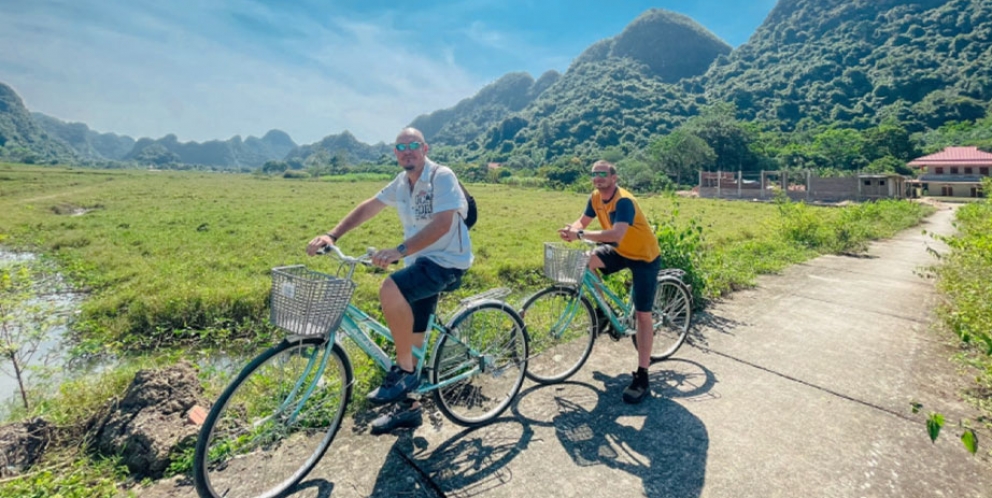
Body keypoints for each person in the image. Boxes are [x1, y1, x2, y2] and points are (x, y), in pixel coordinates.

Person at [307, 127, 472, 432]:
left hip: (447, 263)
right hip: (420, 263)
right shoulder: (402, 183)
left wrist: (398, 251)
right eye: (401, 147)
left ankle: (404, 372)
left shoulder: (441, 177)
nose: (407, 150)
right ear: (396, 153)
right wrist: (332, 235)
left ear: (425, 148)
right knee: (414, 340)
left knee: (390, 287)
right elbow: (371, 206)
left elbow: (442, 224)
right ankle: (409, 408)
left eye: (413, 145)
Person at [557, 160, 661, 404]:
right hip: (620, 251)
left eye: (603, 173)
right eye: (594, 174)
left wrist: (580, 234)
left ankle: (643, 376)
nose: (598, 177)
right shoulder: (595, 197)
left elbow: (616, 234)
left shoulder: (623, 201)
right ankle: (605, 312)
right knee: (585, 261)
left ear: (614, 177)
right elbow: (582, 223)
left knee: (643, 315)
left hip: (644, 257)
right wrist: (570, 230)